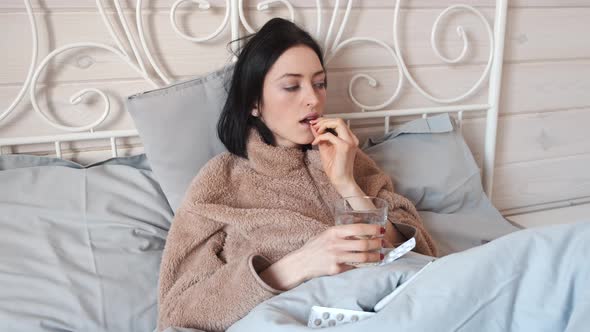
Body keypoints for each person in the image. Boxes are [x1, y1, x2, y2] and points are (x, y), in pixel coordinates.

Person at [157, 18, 437, 332]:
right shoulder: (221, 180)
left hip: (393, 309)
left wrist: (347, 184)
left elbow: (422, 254)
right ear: (253, 103)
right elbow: (177, 314)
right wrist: (298, 264)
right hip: (290, 320)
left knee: (501, 261)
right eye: (292, 86)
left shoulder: (348, 156)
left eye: (319, 83)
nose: (313, 99)